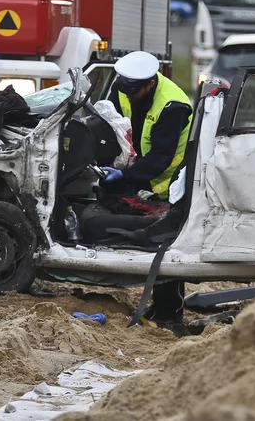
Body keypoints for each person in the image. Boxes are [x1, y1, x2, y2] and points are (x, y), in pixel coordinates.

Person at [99, 51, 193, 325]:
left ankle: (169, 312)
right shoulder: (124, 87)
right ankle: (160, 305)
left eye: (134, 90)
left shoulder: (172, 105)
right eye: (124, 88)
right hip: (143, 175)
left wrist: (125, 177)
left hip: (169, 182)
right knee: (155, 245)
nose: (128, 95)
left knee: (164, 245)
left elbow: (161, 157)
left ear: (150, 83)